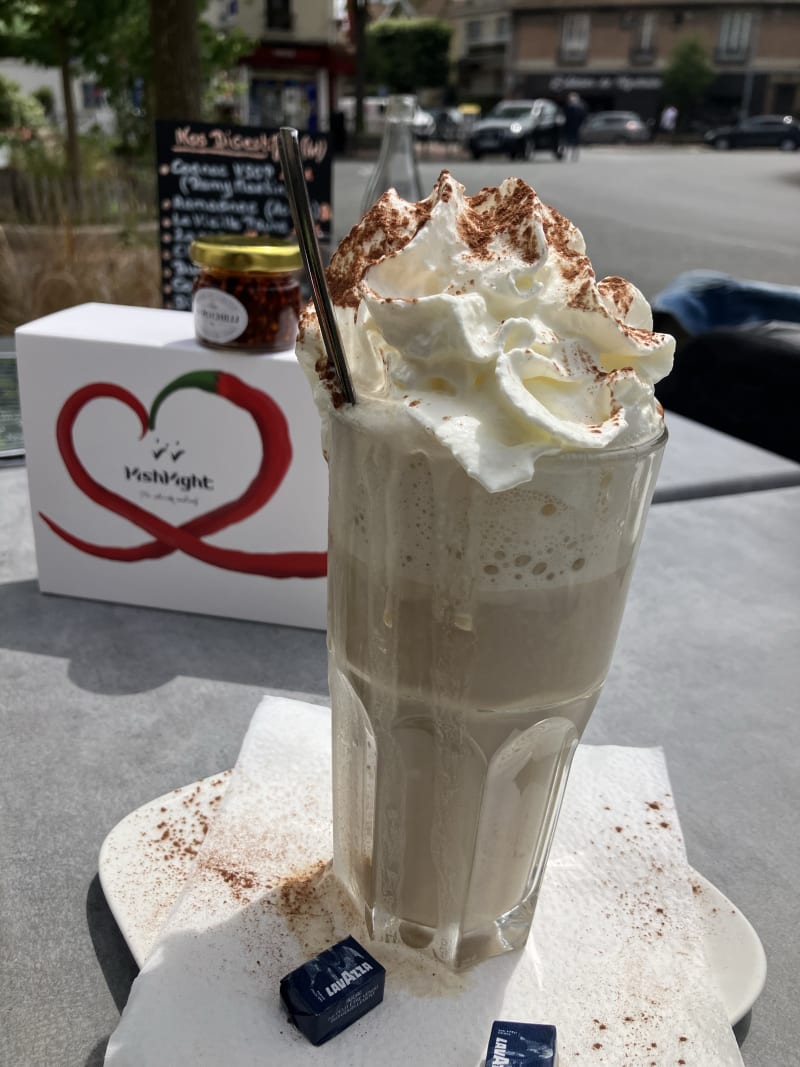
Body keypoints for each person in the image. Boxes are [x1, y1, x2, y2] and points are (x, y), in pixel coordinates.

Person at [562, 92, 586, 161]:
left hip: (577, 128)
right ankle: (566, 155)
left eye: (573, 98)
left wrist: (581, 126)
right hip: (568, 128)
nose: (572, 99)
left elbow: (583, 118)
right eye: (571, 98)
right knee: (567, 143)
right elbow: (564, 117)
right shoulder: (567, 107)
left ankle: (575, 156)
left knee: (576, 144)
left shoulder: (580, 107)